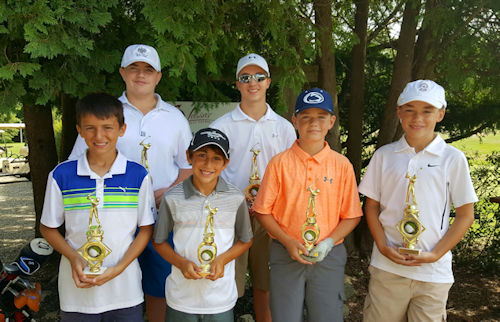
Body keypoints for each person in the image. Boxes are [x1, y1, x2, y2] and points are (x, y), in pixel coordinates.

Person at [68, 44, 193, 322]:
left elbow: (189, 167)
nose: (141, 75)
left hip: (160, 218)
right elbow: (77, 164)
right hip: (114, 220)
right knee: (115, 281)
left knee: (160, 285)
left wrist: (172, 191)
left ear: (158, 76)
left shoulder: (175, 118)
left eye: (148, 70)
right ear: (122, 72)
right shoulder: (106, 115)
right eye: (134, 68)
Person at [358, 80, 478, 322]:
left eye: (427, 111)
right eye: (410, 109)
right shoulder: (384, 156)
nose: (417, 118)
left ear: (440, 114)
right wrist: (382, 247)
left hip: (433, 273)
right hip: (388, 269)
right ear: (399, 112)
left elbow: (466, 214)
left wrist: (435, 255)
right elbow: (370, 206)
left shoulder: (452, 159)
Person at [40, 93, 155, 321]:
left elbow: (146, 229)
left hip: (125, 290)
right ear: (79, 130)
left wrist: (120, 267)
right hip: (77, 293)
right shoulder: (61, 175)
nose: (99, 135)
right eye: (90, 128)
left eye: (107, 127)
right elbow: (48, 228)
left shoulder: (138, 175)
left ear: (122, 129)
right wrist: (73, 257)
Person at [252, 88, 363, 322]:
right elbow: (262, 211)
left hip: (329, 255)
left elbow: (352, 215)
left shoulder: (342, 165)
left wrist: (329, 242)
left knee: (327, 316)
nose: (314, 123)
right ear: (294, 121)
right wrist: (287, 241)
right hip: (285, 253)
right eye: (306, 116)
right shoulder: (279, 163)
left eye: (321, 116)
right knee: (284, 316)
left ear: (332, 121)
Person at [210, 53, 296, 322]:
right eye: (245, 77)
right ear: (237, 84)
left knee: (265, 284)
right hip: (230, 216)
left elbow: (290, 176)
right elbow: (209, 173)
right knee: (225, 284)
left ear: (269, 82)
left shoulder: (284, 127)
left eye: (259, 77)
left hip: (270, 217)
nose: (252, 83)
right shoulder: (221, 126)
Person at [152, 128, 253, 321]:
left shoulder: (235, 197)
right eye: (202, 155)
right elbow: (159, 241)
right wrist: (181, 263)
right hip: (181, 297)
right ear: (189, 157)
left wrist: (222, 260)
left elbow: (246, 239)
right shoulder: (173, 197)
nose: (208, 164)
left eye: (216, 158)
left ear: (226, 163)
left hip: (220, 297)